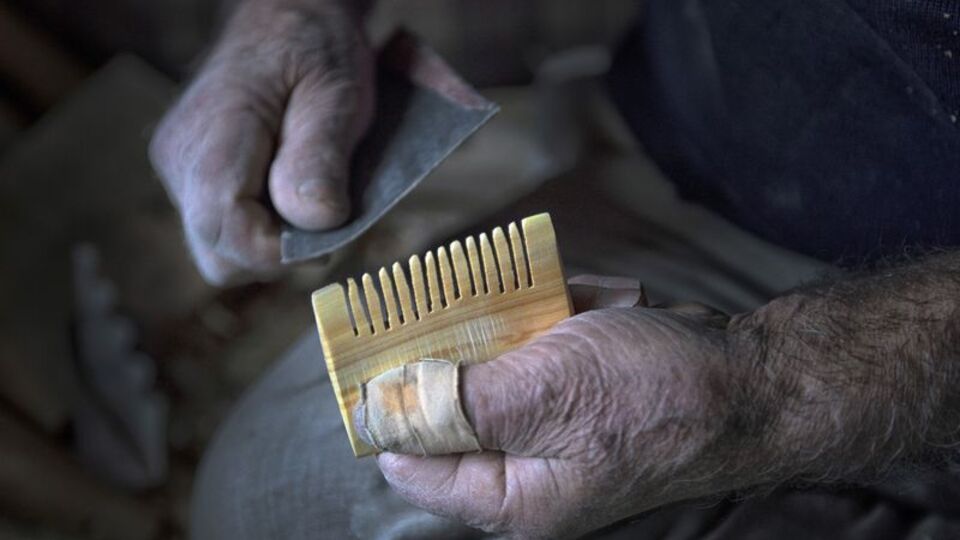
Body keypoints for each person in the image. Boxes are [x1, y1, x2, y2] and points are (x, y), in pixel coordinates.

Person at [150, 0, 960, 538]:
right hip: (673, 142)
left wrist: (770, 394)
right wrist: (292, 12)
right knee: (269, 503)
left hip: (912, 313)